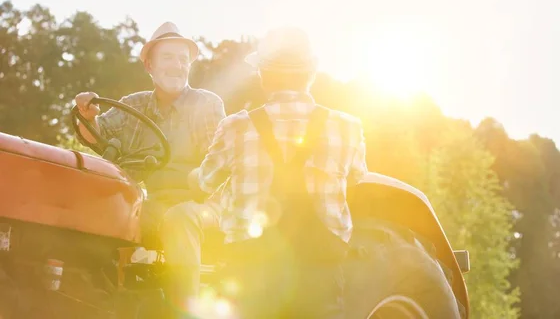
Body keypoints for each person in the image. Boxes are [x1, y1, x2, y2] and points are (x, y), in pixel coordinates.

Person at [188, 27, 369, 318]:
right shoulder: (348, 127)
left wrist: (190, 178)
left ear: (263, 76)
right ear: (310, 73)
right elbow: (358, 178)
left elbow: (206, 182)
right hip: (321, 265)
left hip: (250, 268)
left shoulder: (236, 126)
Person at [73, 22, 226, 311]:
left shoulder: (206, 104)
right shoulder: (136, 105)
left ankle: (185, 311)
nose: (177, 65)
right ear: (149, 66)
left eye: (183, 59)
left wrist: (194, 193)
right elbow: (95, 136)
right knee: (104, 215)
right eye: (168, 57)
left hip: (205, 204)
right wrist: (87, 114)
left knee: (179, 219)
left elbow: (218, 167)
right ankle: (97, 303)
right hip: (155, 204)